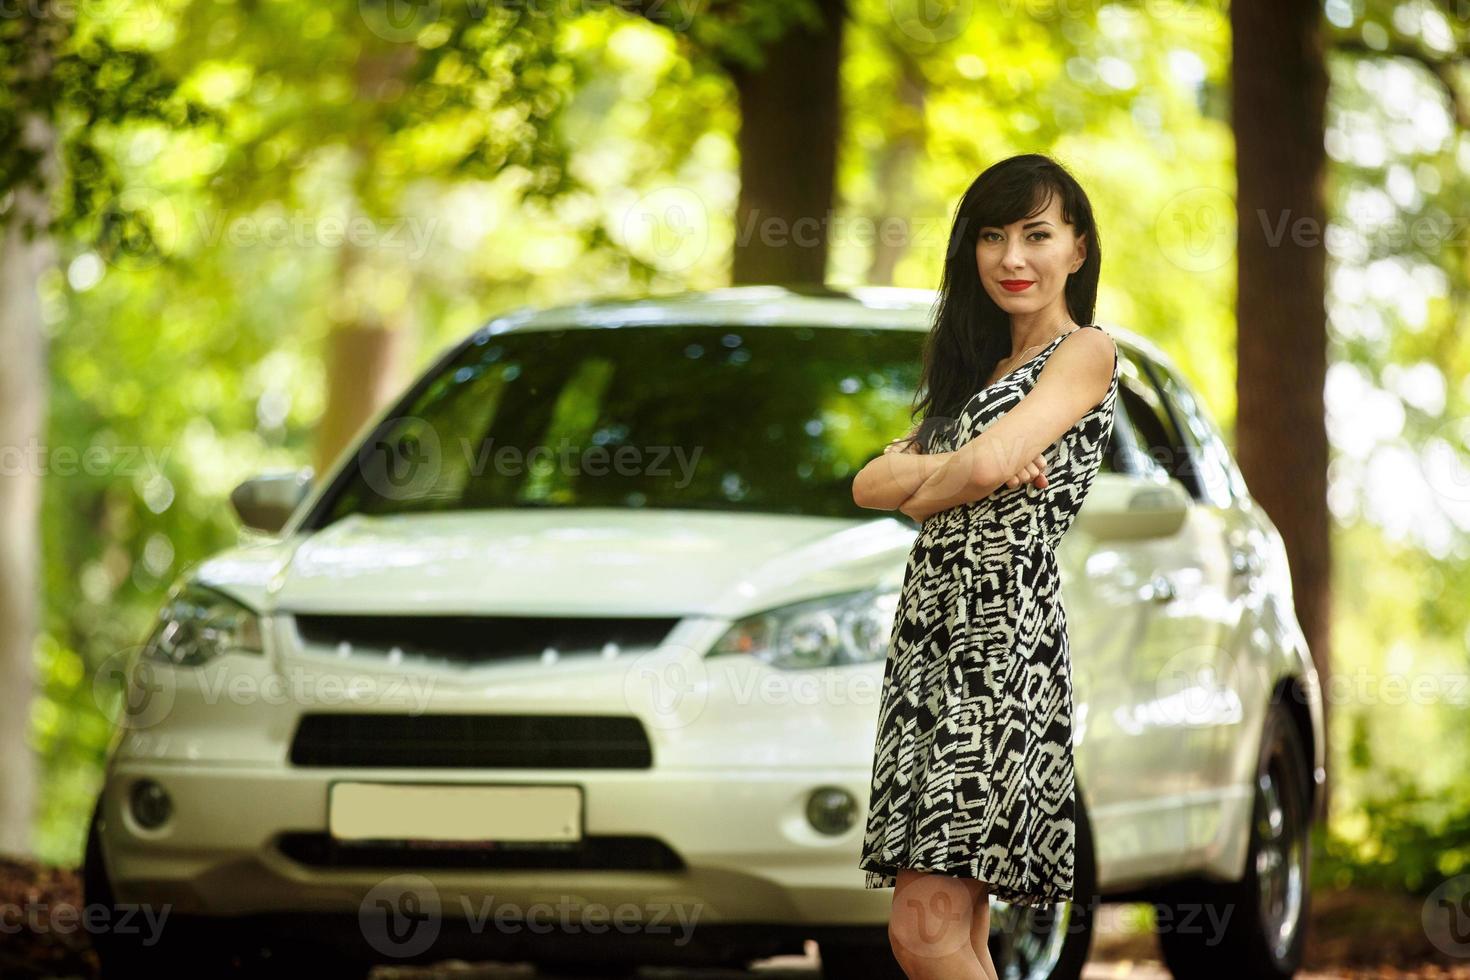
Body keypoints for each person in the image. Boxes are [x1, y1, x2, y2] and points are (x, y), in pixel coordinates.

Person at [850, 152, 1120, 980]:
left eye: (1037, 235)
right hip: (930, 646)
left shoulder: (1086, 352)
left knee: (921, 935)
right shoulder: (976, 375)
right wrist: (969, 462)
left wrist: (938, 476)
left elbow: (942, 477)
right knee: (958, 937)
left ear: (1076, 248)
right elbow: (869, 483)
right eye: (992, 236)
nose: (1012, 258)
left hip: (1000, 650)